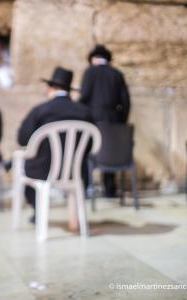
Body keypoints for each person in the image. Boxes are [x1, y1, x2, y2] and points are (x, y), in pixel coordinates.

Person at [18, 66, 92, 224]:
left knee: (26, 166)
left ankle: (38, 210)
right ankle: (75, 220)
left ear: (51, 87)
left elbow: (22, 138)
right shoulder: (84, 112)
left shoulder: (40, 110)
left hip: (43, 170)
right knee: (83, 166)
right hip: (75, 170)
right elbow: (90, 145)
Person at [79, 44, 130, 197]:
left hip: (92, 122)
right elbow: (126, 102)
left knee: (86, 152)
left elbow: (84, 97)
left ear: (93, 59)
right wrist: (121, 122)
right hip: (113, 122)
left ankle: (85, 187)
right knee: (109, 154)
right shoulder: (117, 74)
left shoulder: (89, 72)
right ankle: (109, 190)